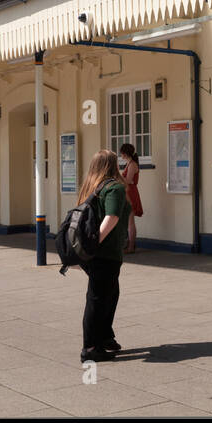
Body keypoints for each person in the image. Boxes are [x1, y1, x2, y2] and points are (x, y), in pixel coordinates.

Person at [76, 149, 131, 363]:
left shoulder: (92, 186)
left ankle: (105, 336)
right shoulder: (114, 187)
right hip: (104, 253)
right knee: (98, 299)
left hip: (93, 255)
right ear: (112, 165)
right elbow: (111, 218)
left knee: (110, 293)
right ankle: (90, 347)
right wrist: (94, 244)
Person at [117, 143, 143, 254]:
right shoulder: (129, 164)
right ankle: (130, 243)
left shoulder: (132, 165)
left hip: (130, 193)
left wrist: (117, 177)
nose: (120, 155)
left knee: (130, 222)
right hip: (128, 192)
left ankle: (131, 246)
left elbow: (128, 181)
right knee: (128, 221)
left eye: (122, 153)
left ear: (125, 153)